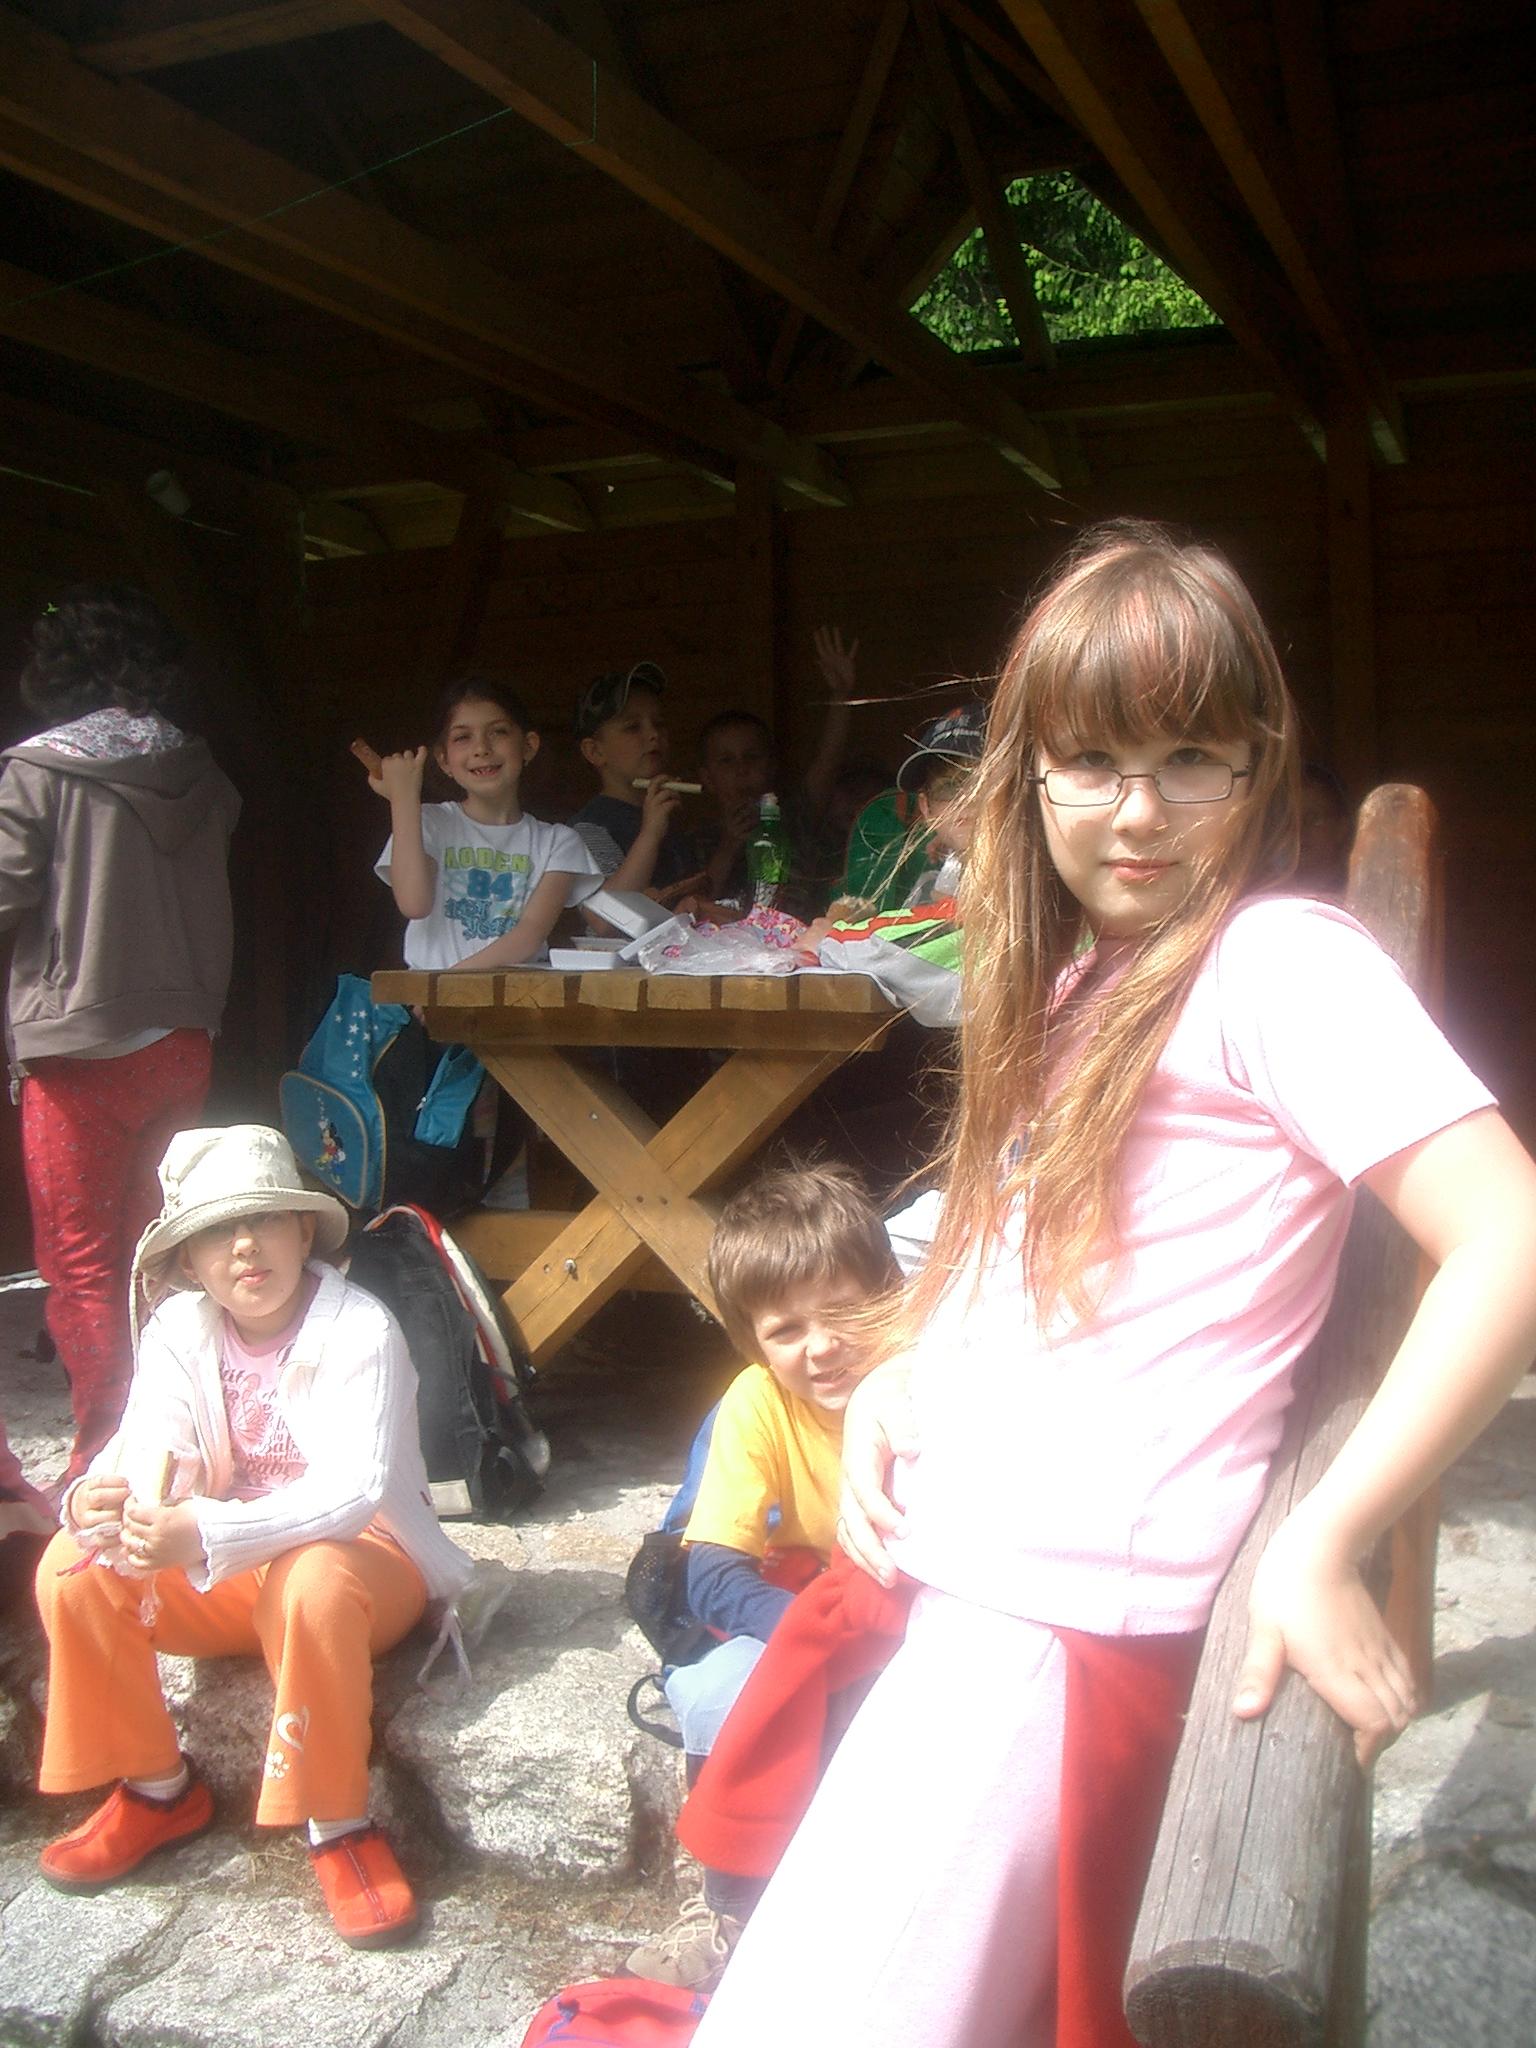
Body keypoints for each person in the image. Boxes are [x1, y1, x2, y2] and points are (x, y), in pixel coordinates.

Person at [693, 520, 1536, 2048]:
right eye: (1091, 760)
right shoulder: (1088, 976)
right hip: (977, 1584)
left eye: (1190, 757)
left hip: (1058, 1629)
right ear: (1028, 776)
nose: (1138, 811)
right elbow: (1039, 1249)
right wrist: (906, 1369)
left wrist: (1329, 1536)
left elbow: (1511, 1237)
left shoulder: (1276, 964)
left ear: (1258, 765)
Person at [31, 1124, 473, 1948]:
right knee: (73, 1567)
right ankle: (157, 1788)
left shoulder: (361, 1329)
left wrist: (203, 1530)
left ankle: (338, 1824)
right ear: (187, 1264)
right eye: (215, 1233)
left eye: (265, 1219)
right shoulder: (179, 1329)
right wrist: (98, 1500)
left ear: (304, 1231)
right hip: (234, 1568)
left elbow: (352, 1494)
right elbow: (148, 1445)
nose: (244, 1246)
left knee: (313, 1581)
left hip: (365, 1561)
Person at [625, 1163, 899, 1993]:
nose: (821, 1347)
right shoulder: (757, 1404)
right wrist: (813, 1644)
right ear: (753, 1343)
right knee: (733, 1691)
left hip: (903, 1599)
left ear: (888, 1293)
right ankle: (733, 1908)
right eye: (785, 1330)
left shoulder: (924, 1374)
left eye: (844, 1310)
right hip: (810, 1602)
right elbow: (711, 1573)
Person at [0, 585, 240, 1482]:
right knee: (158, 1251)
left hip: (80, 1048)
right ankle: (178, 1441)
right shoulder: (204, 774)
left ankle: (107, 1455)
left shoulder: (40, 772)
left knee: (81, 1263)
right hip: (181, 1040)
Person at [360, 674, 600, 969]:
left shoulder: (558, 842)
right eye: (463, 737)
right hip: (429, 996)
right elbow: (414, 904)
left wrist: (449, 984)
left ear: (528, 746)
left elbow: (528, 936)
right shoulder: (429, 823)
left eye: (498, 732)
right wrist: (404, 799)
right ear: (443, 759)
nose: (481, 748)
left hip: (506, 996)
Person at [693, 625, 861, 917]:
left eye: (752, 757)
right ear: (707, 778)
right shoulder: (698, 842)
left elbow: (828, 761)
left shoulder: (796, 819)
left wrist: (841, 694)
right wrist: (730, 844)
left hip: (801, 941)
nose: (742, 769)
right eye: (727, 761)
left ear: (771, 766)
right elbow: (691, 910)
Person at [568, 663, 704, 899]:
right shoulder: (588, 829)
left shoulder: (671, 814)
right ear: (594, 751)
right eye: (633, 727)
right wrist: (651, 834)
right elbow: (606, 912)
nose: (653, 734)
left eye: (659, 723)